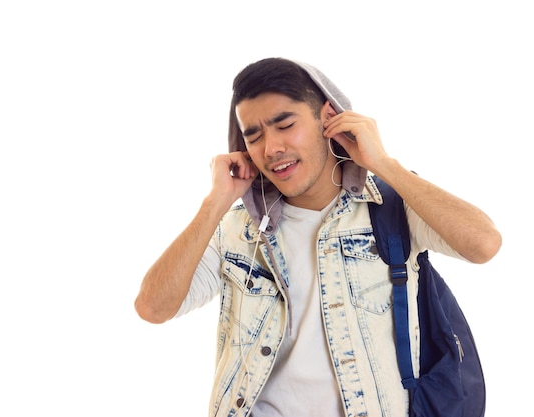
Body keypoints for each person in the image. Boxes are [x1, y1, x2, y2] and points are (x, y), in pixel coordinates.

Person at [134, 57, 502, 417]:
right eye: (254, 135)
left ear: (328, 117)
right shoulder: (238, 229)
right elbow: (153, 307)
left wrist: (384, 164)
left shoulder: (388, 208)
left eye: (284, 124)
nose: (271, 148)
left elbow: (483, 244)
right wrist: (215, 202)